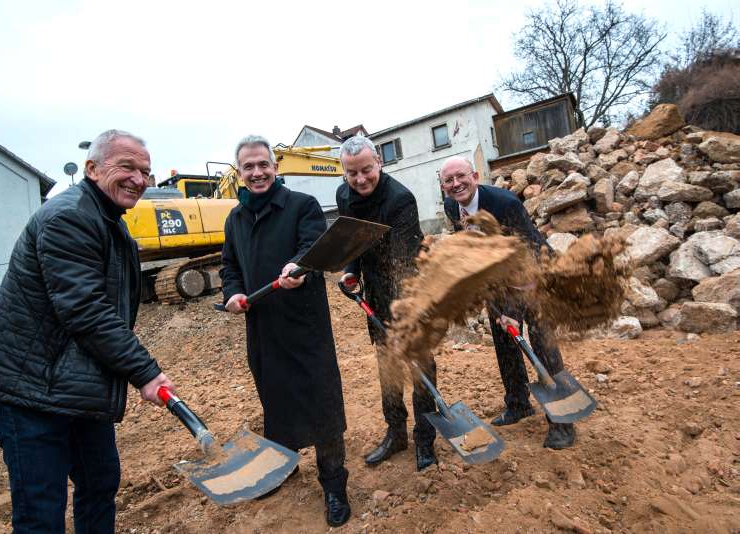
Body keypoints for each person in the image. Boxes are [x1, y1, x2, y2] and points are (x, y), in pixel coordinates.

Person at [0, 130, 176, 533]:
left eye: (145, 172)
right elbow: (86, 310)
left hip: (74, 382)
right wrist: (145, 372)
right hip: (28, 390)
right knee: (41, 511)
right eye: (127, 167)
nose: (138, 179)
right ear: (92, 168)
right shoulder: (70, 217)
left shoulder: (106, 218)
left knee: (100, 482)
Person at [219, 135, 350, 527]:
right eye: (248, 167)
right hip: (263, 325)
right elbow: (229, 265)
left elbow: (313, 246)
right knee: (275, 401)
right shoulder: (234, 218)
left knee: (322, 404)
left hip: (304, 324)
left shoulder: (301, 205)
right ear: (239, 173)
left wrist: (298, 266)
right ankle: (285, 465)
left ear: (275, 167)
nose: (257, 173)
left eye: (263, 165)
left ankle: (334, 484)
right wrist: (234, 291)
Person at [439, 155, 575, 449]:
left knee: (543, 345)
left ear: (475, 176)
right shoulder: (453, 206)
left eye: (461, 176)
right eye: (448, 180)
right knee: (504, 341)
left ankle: (563, 422)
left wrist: (513, 308)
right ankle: (518, 404)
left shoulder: (506, 204)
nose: (455, 184)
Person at [336, 135, 438, 471]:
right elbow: (353, 242)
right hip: (375, 291)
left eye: (366, 170)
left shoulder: (400, 199)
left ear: (378, 162)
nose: (360, 179)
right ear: (344, 172)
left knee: (419, 365)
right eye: (352, 174)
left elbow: (404, 260)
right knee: (388, 365)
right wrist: (351, 273)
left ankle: (425, 438)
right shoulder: (343, 196)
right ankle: (396, 434)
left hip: (409, 288)